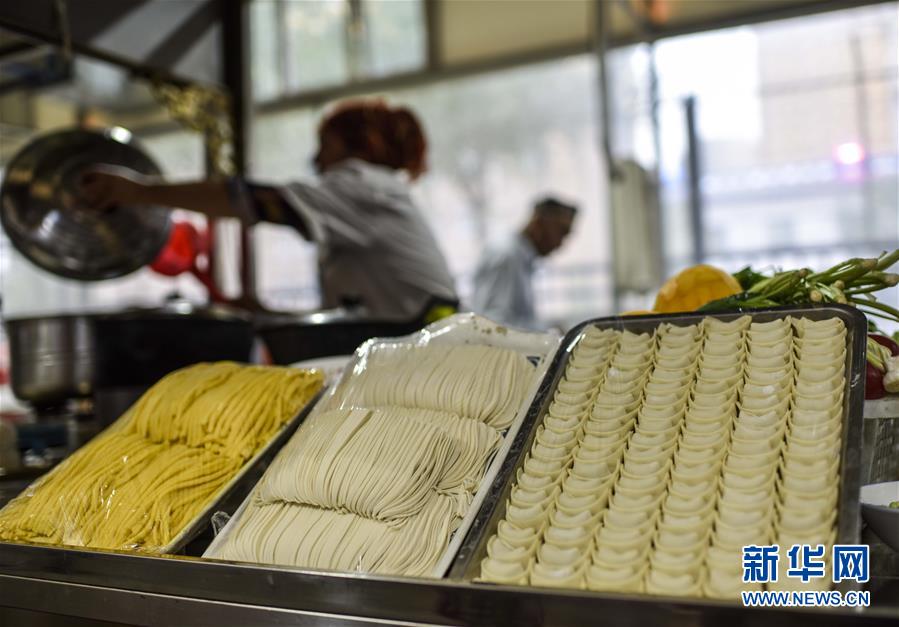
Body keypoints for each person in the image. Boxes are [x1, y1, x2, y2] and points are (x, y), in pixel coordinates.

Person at [80, 100, 458, 321]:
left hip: (430, 357)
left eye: (325, 146)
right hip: (423, 345)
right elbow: (357, 318)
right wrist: (267, 314)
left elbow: (251, 200)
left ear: (359, 145)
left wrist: (138, 191)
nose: (316, 160)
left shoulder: (361, 185)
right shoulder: (376, 196)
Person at [470, 197, 577, 330]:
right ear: (538, 223)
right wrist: (546, 332)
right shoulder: (506, 255)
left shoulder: (520, 257)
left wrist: (548, 328)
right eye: (561, 232)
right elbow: (492, 325)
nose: (561, 243)